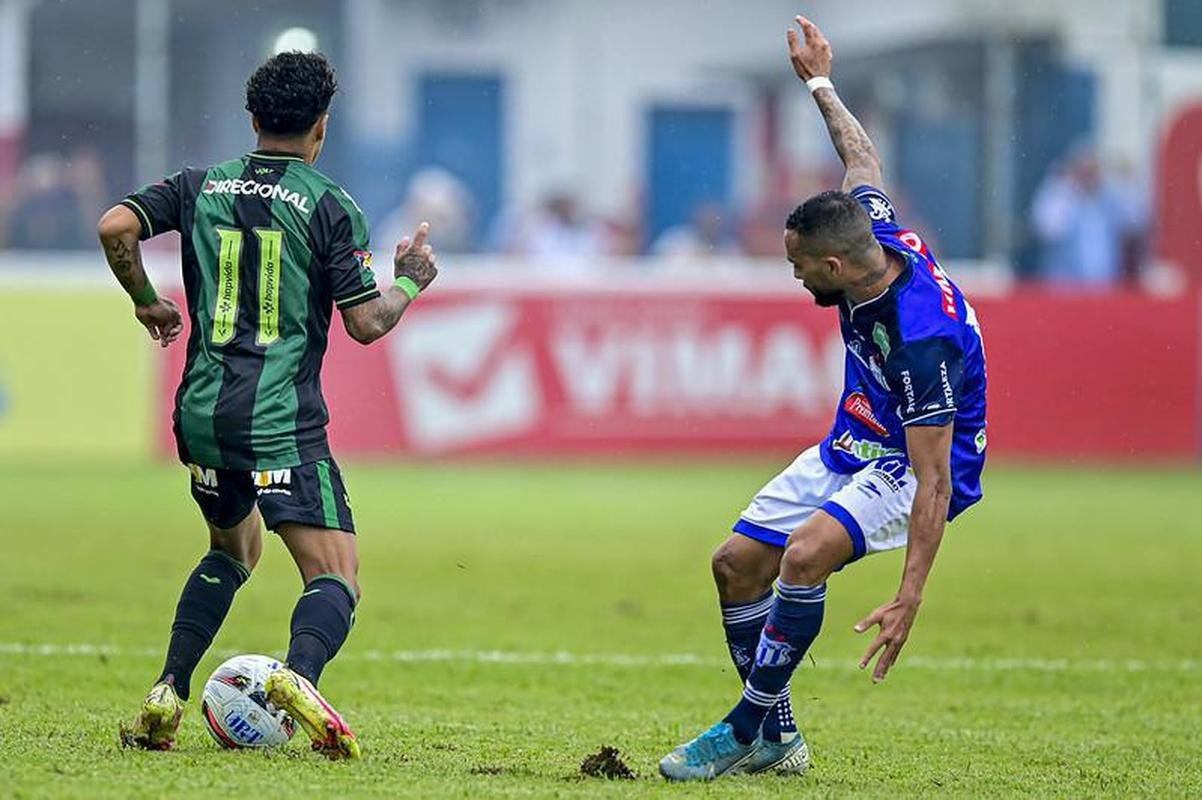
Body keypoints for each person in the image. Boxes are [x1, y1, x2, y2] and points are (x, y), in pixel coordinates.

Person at [658, 15, 987, 781]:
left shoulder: (920, 338)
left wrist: (909, 598)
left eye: (800, 266)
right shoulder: (875, 231)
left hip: (914, 464)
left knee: (804, 555)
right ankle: (777, 737)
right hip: (854, 442)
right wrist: (819, 82)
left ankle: (741, 728)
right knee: (737, 565)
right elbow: (861, 156)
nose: (795, 276)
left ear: (836, 264)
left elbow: (935, 479)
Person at [96, 51, 438, 759]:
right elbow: (368, 323)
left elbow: (114, 228)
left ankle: (168, 688)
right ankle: (299, 677)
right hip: (280, 419)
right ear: (322, 127)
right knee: (334, 573)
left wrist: (146, 301)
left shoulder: (197, 186)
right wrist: (409, 281)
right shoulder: (331, 204)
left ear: (252, 120)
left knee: (234, 547)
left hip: (202, 415)